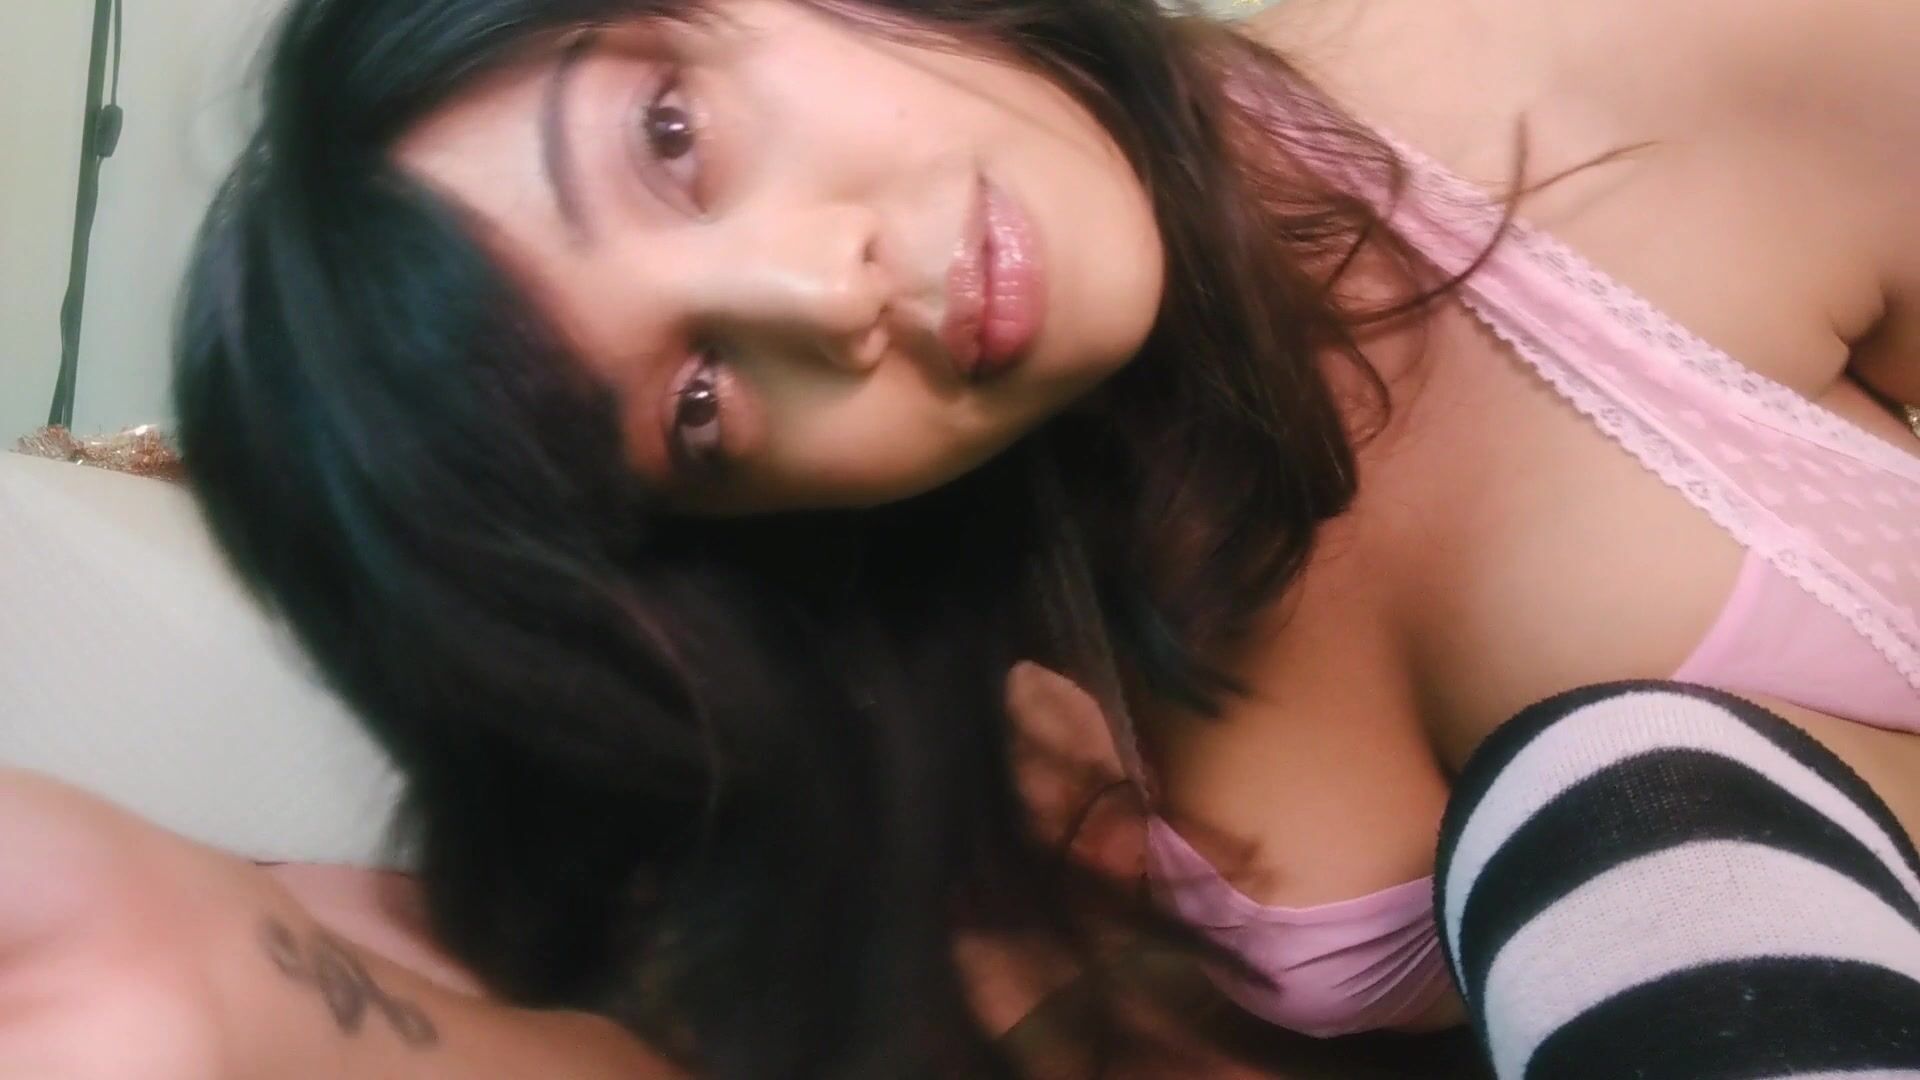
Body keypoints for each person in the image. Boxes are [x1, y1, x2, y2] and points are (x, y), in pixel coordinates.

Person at [6, 0, 1918, 1075]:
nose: (818, 293)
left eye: (668, 135)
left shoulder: (1633, 64)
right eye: (692, 404)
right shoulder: (973, 685)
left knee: (1598, 792)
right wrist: (235, 974)